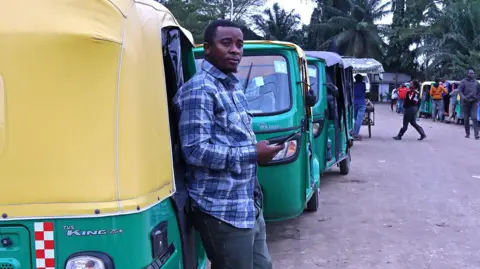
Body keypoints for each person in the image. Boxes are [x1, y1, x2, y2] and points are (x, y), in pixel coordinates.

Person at [174, 20, 284, 269]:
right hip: (220, 208)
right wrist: (253, 154)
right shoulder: (200, 90)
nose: (235, 50)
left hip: (246, 202)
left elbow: (233, 137)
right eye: (226, 43)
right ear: (208, 48)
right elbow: (195, 150)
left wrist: (257, 148)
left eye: (239, 44)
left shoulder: (232, 86)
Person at [458, 68, 480, 139]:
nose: (472, 74)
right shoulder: (463, 82)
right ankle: (467, 133)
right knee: (466, 119)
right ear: (467, 74)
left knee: (474, 118)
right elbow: (460, 91)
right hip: (466, 102)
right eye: (470, 73)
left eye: (473, 73)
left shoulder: (476, 82)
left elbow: (479, 92)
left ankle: (476, 135)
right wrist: (463, 97)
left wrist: (477, 98)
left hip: (474, 102)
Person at [353, 74, 367, 140]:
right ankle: (356, 134)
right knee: (359, 119)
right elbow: (364, 91)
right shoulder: (363, 84)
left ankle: (351, 132)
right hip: (361, 103)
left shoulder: (353, 84)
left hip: (354, 102)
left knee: (353, 119)